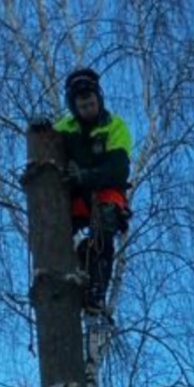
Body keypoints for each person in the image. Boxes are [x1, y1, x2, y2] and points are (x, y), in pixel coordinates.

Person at [53, 67, 131, 319]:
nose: (88, 109)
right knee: (56, 227)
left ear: (99, 100)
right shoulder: (64, 127)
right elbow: (46, 151)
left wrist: (88, 176)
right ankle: (63, 273)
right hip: (75, 195)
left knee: (105, 226)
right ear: (74, 106)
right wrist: (40, 131)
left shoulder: (115, 126)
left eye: (91, 103)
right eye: (83, 105)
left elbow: (119, 169)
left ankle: (96, 288)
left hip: (106, 190)